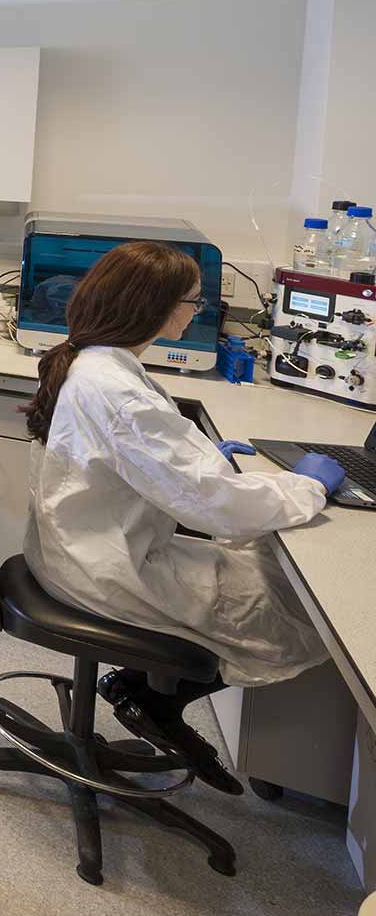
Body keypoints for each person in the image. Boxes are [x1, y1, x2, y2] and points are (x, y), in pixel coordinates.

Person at [22, 240, 347, 793]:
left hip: (83, 547)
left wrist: (201, 464)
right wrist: (310, 486)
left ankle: (149, 693)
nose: (197, 312)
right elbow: (221, 509)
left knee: (256, 565)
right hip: (105, 569)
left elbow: (136, 465)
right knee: (301, 609)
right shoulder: (118, 389)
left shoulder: (96, 362)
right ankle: (151, 694)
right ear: (159, 308)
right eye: (193, 301)